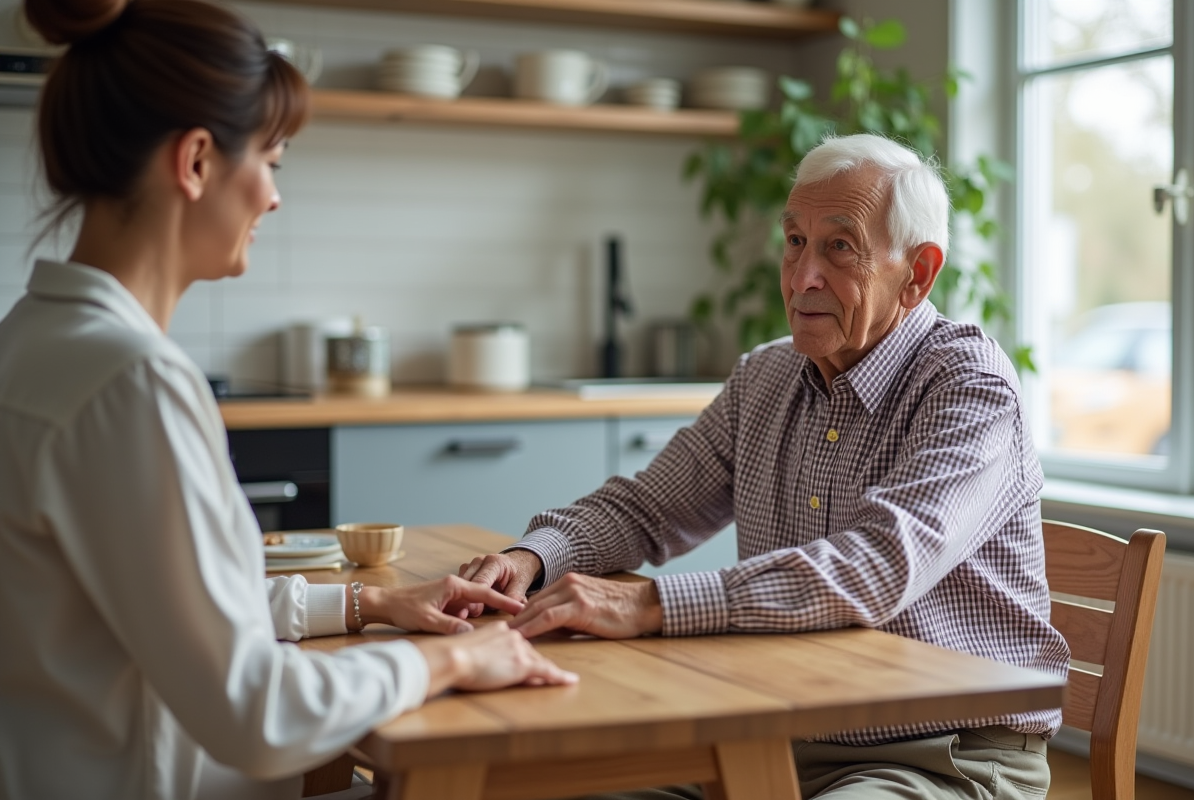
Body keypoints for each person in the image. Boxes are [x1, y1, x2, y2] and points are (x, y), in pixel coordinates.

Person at [0, 1, 575, 799]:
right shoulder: (129, 384)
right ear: (196, 161)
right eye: (271, 159)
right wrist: (449, 658)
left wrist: (366, 601)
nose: (272, 196)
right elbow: (253, 710)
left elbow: (147, 599)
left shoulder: (31, 343)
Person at [461, 133, 1071, 799]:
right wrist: (532, 558)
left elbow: (874, 568)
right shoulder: (767, 376)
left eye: (839, 247)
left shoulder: (969, 384)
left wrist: (651, 603)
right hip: (773, 731)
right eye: (794, 241)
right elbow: (646, 508)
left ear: (917, 274)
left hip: (944, 752)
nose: (802, 275)